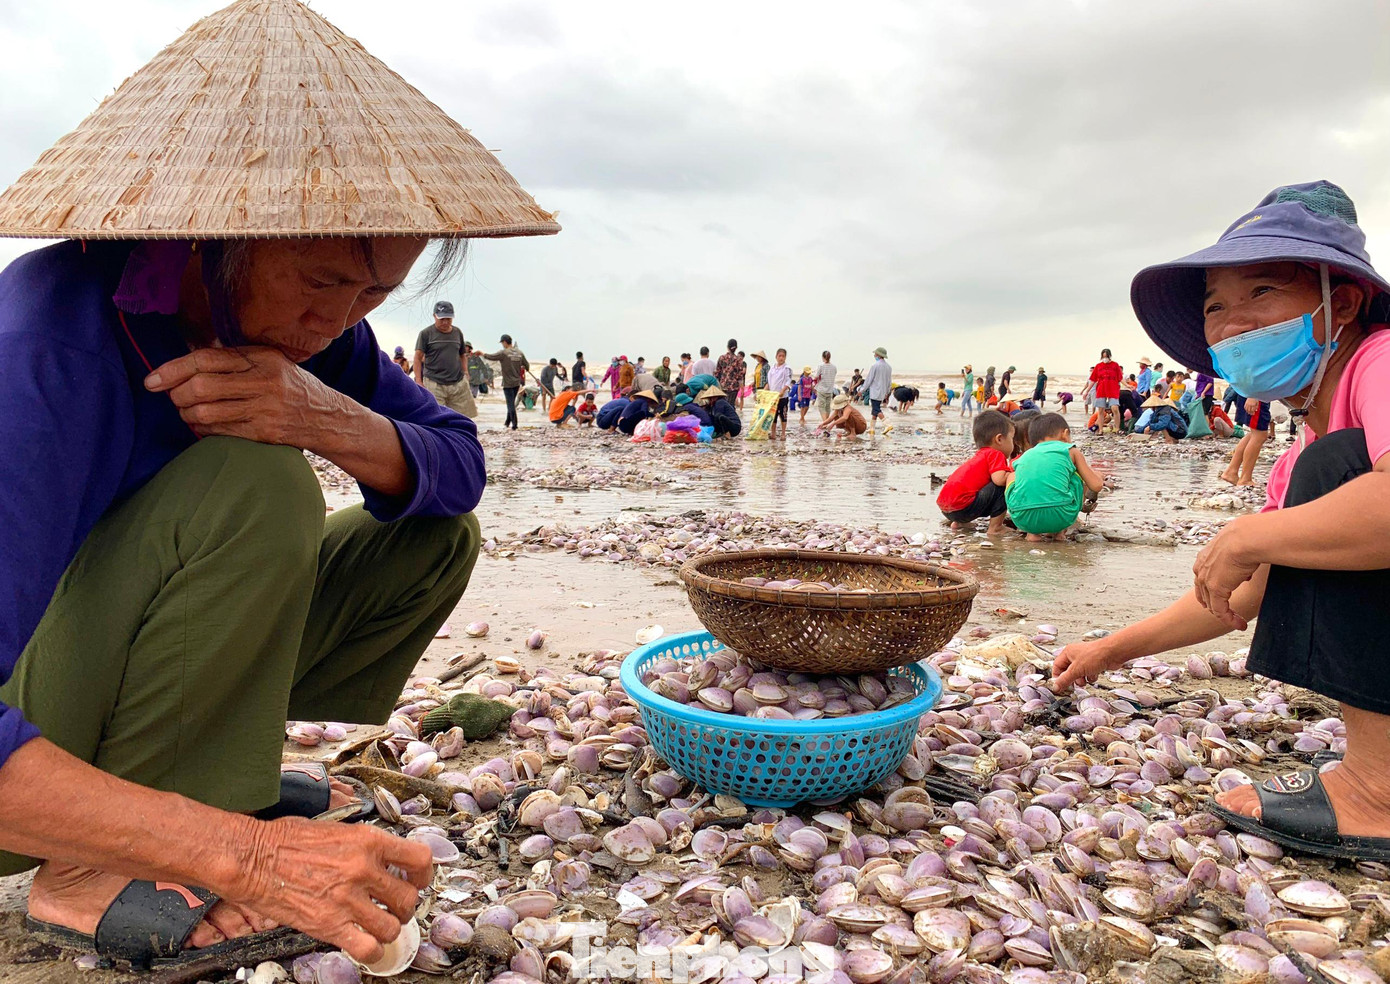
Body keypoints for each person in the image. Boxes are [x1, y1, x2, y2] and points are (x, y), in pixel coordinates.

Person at [0, 0, 569, 964]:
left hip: (128, 665)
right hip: (27, 764)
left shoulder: (312, 328)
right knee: (252, 485)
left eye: (373, 295)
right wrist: (249, 857)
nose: (338, 318)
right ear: (212, 236)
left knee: (427, 532)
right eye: (318, 282)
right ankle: (89, 869)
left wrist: (327, 416)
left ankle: (208, 766)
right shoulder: (44, 355)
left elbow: (458, 464)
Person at [1053, 181, 1390, 860]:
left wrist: (1247, 533)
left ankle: (1378, 793)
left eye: (1261, 293)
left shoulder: (1380, 359)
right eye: (1215, 305)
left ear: (1342, 302)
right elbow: (1243, 594)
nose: (1233, 321)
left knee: (1340, 478)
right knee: (1321, 494)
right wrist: (1108, 652)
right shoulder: (1295, 458)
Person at [1005, 413, 1106, 541]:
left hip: (1023, 518)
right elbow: (1096, 485)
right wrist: (1098, 476)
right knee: (1075, 475)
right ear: (1065, 433)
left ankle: (1032, 535)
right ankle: (1059, 533)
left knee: (1013, 476)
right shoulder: (1071, 450)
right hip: (1062, 516)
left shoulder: (1025, 456)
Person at [936, 410, 1014, 535]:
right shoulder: (995, 454)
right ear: (999, 439)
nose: (1013, 443)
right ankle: (996, 528)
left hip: (946, 509)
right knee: (1003, 485)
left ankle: (959, 523)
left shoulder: (980, 456)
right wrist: (1015, 474)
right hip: (963, 507)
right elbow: (999, 479)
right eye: (1012, 438)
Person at [414, 300, 478, 419]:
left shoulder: (457, 332)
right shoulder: (426, 334)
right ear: (434, 316)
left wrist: (465, 372)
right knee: (436, 419)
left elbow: (462, 355)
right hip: (434, 384)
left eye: (448, 319)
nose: (445, 322)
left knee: (463, 419)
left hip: (458, 383)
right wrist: (418, 380)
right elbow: (417, 358)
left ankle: (459, 438)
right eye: (442, 319)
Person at [1221, 395, 1272, 486]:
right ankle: (1245, 478)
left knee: (1255, 433)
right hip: (1256, 394)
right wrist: (1253, 395)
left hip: (1255, 394)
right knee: (1259, 435)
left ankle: (1231, 471)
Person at [484, 335, 529, 431]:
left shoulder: (504, 353)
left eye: (502, 343)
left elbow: (491, 357)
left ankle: (515, 425)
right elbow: (527, 365)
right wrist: (523, 367)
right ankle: (507, 422)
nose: (502, 345)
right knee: (511, 403)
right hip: (516, 383)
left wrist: (482, 354)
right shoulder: (519, 352)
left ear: (504, 342)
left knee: (510, 405)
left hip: (508, 383)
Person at [1088, 348, 1124, 433]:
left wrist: (1127, 385)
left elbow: (1120, 378)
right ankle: (1100, 430)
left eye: (1106, 356)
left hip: (1113, 389)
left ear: (1109, 356)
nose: (1105, 358)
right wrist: (1086, 391)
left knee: (1114, 408)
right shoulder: (1098, 366)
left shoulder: (1115, 365)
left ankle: (1117, 428)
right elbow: (1093, 380)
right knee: (1101, 410)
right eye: (1103, 357)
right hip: (1101, 389)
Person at [865, 347, 893, 433]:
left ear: (878, 355)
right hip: (882, 392)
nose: (874, 355)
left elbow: (869, 379)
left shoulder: (875, 366)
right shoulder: (889, 367)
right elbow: (889, 381)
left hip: (875, 391)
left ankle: (888, 424)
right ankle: (872, 428)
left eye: (875, 354)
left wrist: (862, 390)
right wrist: (887, 392)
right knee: (875, 409)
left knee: (876, 409)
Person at [767, 349, 792, 440]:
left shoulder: (786, 368)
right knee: (773, 416)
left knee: (783, 415)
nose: (781, 358)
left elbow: (788, 381)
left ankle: (783, 434)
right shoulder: (773, 368)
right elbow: (769, 381)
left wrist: (783, 390)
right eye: (779, 356)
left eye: (783, 356)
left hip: (783, 396)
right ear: (776, 356)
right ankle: (773, 433)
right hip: (773, 396)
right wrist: (765, 391)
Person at [812, 351, 837, 422]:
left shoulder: (821, 366)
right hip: (830, 389)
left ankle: (825, 422)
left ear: (823, 357)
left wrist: (812, 374)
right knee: (827, 407)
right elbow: (834, 374)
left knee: (821, 407)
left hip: (821, 389)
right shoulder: (834, 367)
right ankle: (826, 421)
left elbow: (816, 377)